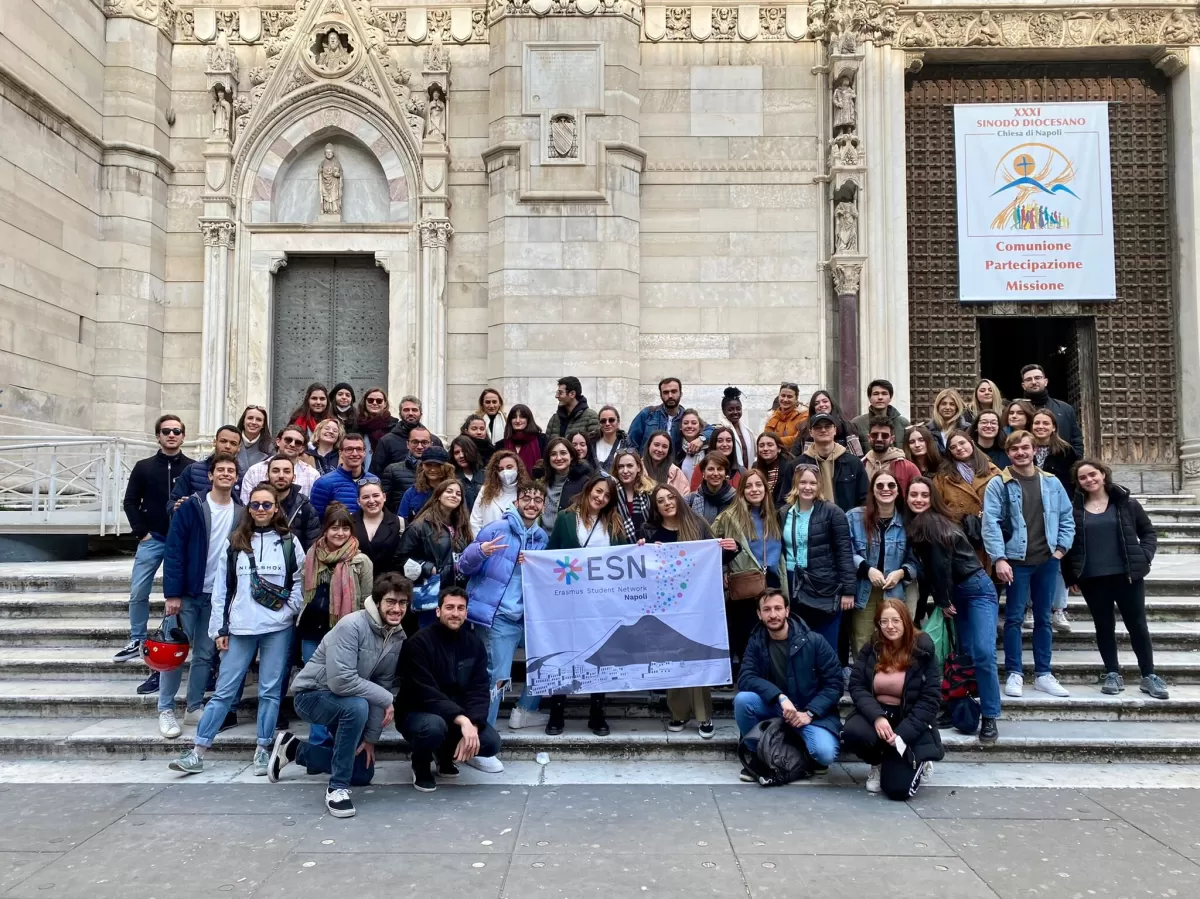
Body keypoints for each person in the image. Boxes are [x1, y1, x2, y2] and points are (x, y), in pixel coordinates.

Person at [168, 481, 304, 776]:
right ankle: (197, 751)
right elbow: (221, 590)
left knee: (270, 692)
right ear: (249, 508)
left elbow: (299, 581)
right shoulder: (236, 543)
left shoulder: (289, 541)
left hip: (277, 629)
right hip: (241, 627)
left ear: (276, 508)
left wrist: (289, 610)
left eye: (267, 504)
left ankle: (263, 748)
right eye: (255, 504)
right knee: (224, 692)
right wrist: (219, 629)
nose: (261, 510)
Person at [268, 572, 409, 818]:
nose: (397, 608)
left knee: (362, 773)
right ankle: (337, 789)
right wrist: (387, 699)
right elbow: (341, 681)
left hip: (349, 703)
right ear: (377, 602)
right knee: (357, 706)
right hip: (312, 695)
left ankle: (293, 750)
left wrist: (371, 739)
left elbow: (382, 684)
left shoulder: (396, 636)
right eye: (391, 601)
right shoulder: (352, 625)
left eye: (403, 603)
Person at [904, 478, 1000, 741]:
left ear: (932, 498)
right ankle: (962, 708)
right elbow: (928, 573)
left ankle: (990, 715)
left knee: (982, 652)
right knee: (963, 655)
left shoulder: (933, 523)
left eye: (925, 495)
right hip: (957, 591)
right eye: (914, 495)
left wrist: (943, 601)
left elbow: (940, 566)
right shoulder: (920, 524)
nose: (919, 500)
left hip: (976, 588)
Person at [982, 430, 1075, 699]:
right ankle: (1015, 672)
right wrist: (999, 558)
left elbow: (1067, 518)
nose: (1020, 453)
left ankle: (1044, 673)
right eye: (1014, 449)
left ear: (1034, 450)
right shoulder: (999, 483)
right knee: (1013, 619)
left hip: (1047, 561)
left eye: (1025, 448)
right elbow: (990, 524)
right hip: (1016, 561)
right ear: (1008, 453)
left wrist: (1060, 550)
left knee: (1044, 618)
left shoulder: (1052, 482)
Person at [1063, 460, 1167, 699]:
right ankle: (1112, 673)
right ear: (1078, 483)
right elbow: (1069, 543)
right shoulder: (1075, 510)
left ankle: (1149, 675)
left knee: (1137, 625)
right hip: (1092, 578)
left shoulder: (1126, 503)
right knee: (1104, 626)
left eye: (1093, 474)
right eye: (1083, 477)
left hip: (1127, 575)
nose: (1089, 480)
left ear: (1103, 474)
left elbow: (1148, 532)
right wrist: (1071, 575)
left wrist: (1144, 556)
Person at [157, 453, 243, 739]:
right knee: (173, 652)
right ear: (210, 475)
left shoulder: (241, 513)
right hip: (187, 594)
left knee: (205, 654)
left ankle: (193, 706)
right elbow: (174, 551)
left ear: (236, 477)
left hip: (217, 597)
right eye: (221, 469)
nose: (226, 474)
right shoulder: (192, 506)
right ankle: (166, 707)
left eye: (231, 470)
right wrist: (172, 594)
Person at [643, 484, 737, 738]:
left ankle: (704, 716)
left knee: (697, 660)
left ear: (678, 498)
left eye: (670, 497)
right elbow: (643, 568)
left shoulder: (698, 525)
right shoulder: (650, 531)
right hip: (666, 608)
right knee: (672, 660)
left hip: (697, 606)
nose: (667, 502)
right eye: (660, 500)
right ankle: (679, 713)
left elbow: (714, 558)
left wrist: (731, 548)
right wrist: (641, 548)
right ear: (656, 507)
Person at [459, 481, 550, 740]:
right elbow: (464, 567)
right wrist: (480, 551)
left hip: (527, 617)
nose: (531, 504)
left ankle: (525, 710)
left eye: (537, 500)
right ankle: (482, 735)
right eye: (526, 498)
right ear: (516, 502)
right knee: (497, 677)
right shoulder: (497, 528)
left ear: (543, 505)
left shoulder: (542, 538)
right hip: (497, 616)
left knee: (551, 656)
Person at [545, 474, 631, 736]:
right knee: (565, 652)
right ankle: (557, 711)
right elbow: (551, 554)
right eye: (599, 491)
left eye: (607, 496)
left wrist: (639, 549)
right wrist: (533, 562)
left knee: (599, 655)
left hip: (602, 603)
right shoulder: (565, 519)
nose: (601, 498)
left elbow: (625, 557)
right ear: (589, 489)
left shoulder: (614, 524)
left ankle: (597, 712)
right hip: (569, 601)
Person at [397, 586, 502, 792]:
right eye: (450, 607)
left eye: (461, 608)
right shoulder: (418, 643)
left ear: (466, 612)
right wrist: (462, 719)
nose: (455, 613)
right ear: (438, 611)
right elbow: (423, 691)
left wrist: (473, 722)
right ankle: (420, 764)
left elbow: (479, 690)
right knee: (433, 727)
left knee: (490, 742)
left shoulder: (474, 644)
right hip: (418, 712)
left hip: (456, 715)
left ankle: (445, 756)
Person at [734, 589, 843, 784]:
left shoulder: (814, 641)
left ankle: (797, 756)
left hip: (810, 713)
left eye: (777, 608)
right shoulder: (756, 641)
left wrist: (809, 713)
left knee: (825, 754)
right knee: (743, 700)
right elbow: (745, 677)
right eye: (767, 610)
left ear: (787, 610)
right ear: (759, 614)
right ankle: (759, 755)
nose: (773, 614)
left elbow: (834, 684)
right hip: (777, 708)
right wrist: (780, 697)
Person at [115, 415, 195, 680]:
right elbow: (130, 502)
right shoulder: (144, 467)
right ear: (158, 436)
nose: (171, 435)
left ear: (183, 436)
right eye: (166, 431)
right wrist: (142, 533)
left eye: (176, 431)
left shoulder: (192, 468)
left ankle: (170, 635)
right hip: (154, 539)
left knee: (175, 595)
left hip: (180, 541)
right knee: (139, 590)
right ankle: (136, 638)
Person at [287, 501, 373, 744]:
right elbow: (303, 589)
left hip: (344, 635)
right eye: (334, 528)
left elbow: (367, 600)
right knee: (314, 687)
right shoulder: (312, 555)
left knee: (340, 685)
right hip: (311, 632)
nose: (340, 533)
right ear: (325, 529)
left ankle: (341, 739)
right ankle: (318, 740)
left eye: (345, 528)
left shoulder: (360, 561)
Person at [841, 598, 944, 797]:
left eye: (895, 621)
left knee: (897, 791)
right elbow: (856, 685)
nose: (890, 626)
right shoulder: (873, 647)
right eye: (884, 621)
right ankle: (877, 763)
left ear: (905, 620)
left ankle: (918, 758)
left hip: (910, 718)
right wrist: (877, 716)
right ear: (878, 624)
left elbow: (930, 699)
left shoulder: (923, 649)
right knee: (853, 731)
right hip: (879, 713)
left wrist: (903, 734)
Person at [712, 469, 789, 667]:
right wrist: (722, 573)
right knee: (746, 635)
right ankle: (747, 676)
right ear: (741, 490)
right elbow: (711, 547)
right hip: (744, 585)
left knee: (771, 634)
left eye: (758, 485)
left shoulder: (776, 516)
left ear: (766, 488)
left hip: (771, 583)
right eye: (748, 486)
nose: (754, 490)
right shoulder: (728, 517)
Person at [779, 464, 856, 653]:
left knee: (826, 644)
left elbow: (844, 552)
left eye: (812, 483)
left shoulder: (833, 512)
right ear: (795, 484)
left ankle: (829, 681)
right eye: (803, 482)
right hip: (792, 583)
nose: (807, 487)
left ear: (819, 485)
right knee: (799, 641)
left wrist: (848, 590)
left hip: (824, 586)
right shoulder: (783, 513)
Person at [847, 470, 918, 658]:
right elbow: (846, 550)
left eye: (891, 485)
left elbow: (916, 558)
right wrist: (866, 569)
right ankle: (866, 681)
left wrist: (901, 573)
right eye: (880, 485)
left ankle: (892, 680)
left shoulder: (908, 519)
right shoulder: (854, 517)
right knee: (862, 638)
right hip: (865, 589)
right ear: (872, 490)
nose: (885, 489)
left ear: (897, 491)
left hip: (896, 589)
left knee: (895, 638)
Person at [399, 479, 473, 628]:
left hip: (458, 594)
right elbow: (401, 558)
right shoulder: (419, 526)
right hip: (431, 596)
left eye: (458, 494)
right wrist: (427, 568)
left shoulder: (463, 526)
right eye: (449, 491)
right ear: (438, 495)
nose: (454, 496)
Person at [934, 431, 1001, 559]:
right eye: (953, 447)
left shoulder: (993, 471)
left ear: (971, 443)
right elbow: (937, 508)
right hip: (959, 538)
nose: (958, 448)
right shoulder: (943, 477)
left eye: (962, 443)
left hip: (990, 536)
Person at [801, 413, 868, 512]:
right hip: (809, 523)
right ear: (810, 432)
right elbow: (788, 499)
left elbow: (865, 498)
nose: (823, 430)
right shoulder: (798, 465)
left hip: (847, 522)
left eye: (827, 426)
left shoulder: (854, 463)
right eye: (818, 427)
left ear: (835, 430)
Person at [169, 425, 243, 508]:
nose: (227, 446)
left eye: (233, 443)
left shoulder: (242, 476)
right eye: (223, 441)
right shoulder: (192, 470)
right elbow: (173, 502)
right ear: (215, 442)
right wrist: (176, 507)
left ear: (239, 447)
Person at [370, 396, 444, 477]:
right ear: (400, 414)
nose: (410, 413)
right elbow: (375, 473)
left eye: (414, 410)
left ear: (421, 414)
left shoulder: (435, 441)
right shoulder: (387, 441)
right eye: (406, 410)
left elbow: (444, 470)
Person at [241, 425, 320, 501]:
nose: (292, 444)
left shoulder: (312, 475)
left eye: (298, 442)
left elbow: (312, 510)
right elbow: (246, 505)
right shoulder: (254, 471)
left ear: (302, 449)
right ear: (278, 442)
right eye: (288, 440)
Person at [1021, 363, 1084, 456]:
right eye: (1028, 379)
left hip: (1061, 464)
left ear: (1045, 381)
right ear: (1023, 385)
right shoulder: (1016, 411)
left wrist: (1075, 464)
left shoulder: (1065, 409)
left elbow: (1076, 440)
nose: (1034, 382)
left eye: (1037, 378)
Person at [629, 376, 699, 455]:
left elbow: (710, 430)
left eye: (674, 391)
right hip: (648, 466)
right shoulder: (647, 414)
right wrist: (638, 463)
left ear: (681, 393)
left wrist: (701, 439)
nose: (670, 396)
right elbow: (630, 444)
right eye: (666, 392)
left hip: (676, 466)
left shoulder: (687, 417)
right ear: (661, 395)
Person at [267, 455, 321, 551]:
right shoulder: (256, 504)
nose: (281, 475)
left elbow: (312, 548)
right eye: (275, 471)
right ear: (267, 475)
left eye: (287, 471)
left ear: (294, 477)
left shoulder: (305, 508)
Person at [310, 433, 369, 518]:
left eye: (359, 449)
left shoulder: (373, 480)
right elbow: (315, 520)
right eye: (349, 449)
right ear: (341, 453)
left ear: (364, 452)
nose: (355, 453)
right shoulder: (324, 483)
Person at [351, 478, 403, 576]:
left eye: (376, 496)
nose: (371, 501)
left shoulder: (400, 523)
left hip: (388, 585)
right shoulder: (348, 523)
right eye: (366, 497)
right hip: (355, 584)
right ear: (358, 501)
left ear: (384, 497)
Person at [538, 437, 591, 531]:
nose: (558, 458)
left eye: (563, 453)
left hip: (569, 540)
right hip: (542, 539)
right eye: (553, 454)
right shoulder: (541, 483)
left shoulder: (584, 483)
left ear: (571, 456)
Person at [380, 425, 435, 513]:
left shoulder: (438, 471)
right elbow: (383, 503)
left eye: (424, 442)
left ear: (431, 444)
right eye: (415, 442)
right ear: (407, 444)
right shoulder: (392, 470)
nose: (420, 446)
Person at [863, 417, 921, 497]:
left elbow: (918, 495)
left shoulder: (909, 468)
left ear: (892, 439)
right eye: (874, 435)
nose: (879, 439)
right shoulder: (860, 465)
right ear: (869, 438)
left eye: (885, 435)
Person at [470, 450, 526, 531]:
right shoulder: (485, 490)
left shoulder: (526, 492)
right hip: (488, 541)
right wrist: (480, 543)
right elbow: (475, 521)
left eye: (509, 467)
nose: (505, 472)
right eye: (500, 469)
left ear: (518, 468)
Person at [397, 447, 456, 522]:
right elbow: (402, 520)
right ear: (422, 466)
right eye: (428, 465)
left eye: (437, 465)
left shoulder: (455, 492)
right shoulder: (412, 492)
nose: (433, 469)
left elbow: (462, 518)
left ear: (446, 467)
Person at [851, 378, 910, 449]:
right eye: (876, 394)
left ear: (890, 398)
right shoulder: (857, 423)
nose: (880, 397)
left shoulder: (903, 423)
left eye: (884, 393)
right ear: (870, 398)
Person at [800, 390, 863, 455]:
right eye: (816, 403)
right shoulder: (805, 431)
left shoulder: (848, 427)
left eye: (825, 401)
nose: (821, 405)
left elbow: (859, 457)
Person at [611, 448, 655, 541]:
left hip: (647, 546)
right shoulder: (610, 493)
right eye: (620, 466)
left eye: (630, 466)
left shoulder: (651, 492)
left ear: (638, 467)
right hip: (619, 548)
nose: (625, 471)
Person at [1032, 409, 1079, 494]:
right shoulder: (1025, 448)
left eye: (1046, 423)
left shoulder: (1065, 450)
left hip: (1059, 496)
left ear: (1053, 427)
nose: (1041, 426)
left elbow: (1074, 479)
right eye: (1037, 423)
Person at [544, 375, 601, 440]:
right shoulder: (554, 419)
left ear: (572, 394)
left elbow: (593, 446)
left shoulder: (591, 417)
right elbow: (547, 446)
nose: (556, 396)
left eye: (560, 393)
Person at [688, 427, 743, 492]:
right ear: (714, 443)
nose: (725, 444)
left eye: (728, 440)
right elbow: (694, 494)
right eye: (720, 441)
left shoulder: (742, 471)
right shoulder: (701, 467)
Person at [499, 403, 548, 475]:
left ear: (528, 419)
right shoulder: (500, 445)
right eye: (514, 417)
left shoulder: (542, 440)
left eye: (522, 417)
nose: (518, 420)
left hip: (537, 485)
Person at [688, 452, 737, 523]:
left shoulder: (736, 500)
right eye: (711, 469)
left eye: (720, 469)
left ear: (725, 473)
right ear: (703, 473)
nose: (716, 473)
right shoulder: (691, 500)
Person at [751, 432, 795, 509]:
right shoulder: (755, 466)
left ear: (779, 448)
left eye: (770, 445)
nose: (765, 449)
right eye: (761, 446)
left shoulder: (789, 466)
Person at [763, 381, 807, 452]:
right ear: (779, 396)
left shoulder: (804, 415)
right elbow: (765, 439)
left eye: (789, 397)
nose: (785, 399)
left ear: (796, 398)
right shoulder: (772, 417)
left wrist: (773, 442)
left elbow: (798, 439)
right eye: (783, 395)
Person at [643, 430, 691, 496]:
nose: (660, 450)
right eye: (656, 445)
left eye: (664, 447)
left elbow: (685, 499)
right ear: (649, 445)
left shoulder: (675, 472)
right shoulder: (638, 469)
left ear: (669, 450)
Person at [720, 386, 757, 470]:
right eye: (731, 409)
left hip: (747, 474)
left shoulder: (748, 432)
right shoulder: (720, 430)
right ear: (723, 411)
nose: (735, 412)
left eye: (738, 409)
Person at [926, 388, 971, 452]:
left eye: (952, 404)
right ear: (938, 406)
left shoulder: (967, 428)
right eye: (944, 404)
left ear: (957, 407)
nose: (947, 407)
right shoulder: (928, 430)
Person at [355, 387, 398, 454]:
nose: (374, 403)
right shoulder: (356, 425)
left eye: (379, 401)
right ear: (365, 402)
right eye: (370, 400)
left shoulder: (394, 426)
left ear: (385, 404)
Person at [593, 404, 633, 473]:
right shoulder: (591, 444)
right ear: (599, 423)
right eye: (603, 421)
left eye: (611, 420)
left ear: (618, 422)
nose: (607, 423)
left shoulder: (626, 445)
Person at [448, 435, 486, 508]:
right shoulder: (450, 477)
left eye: (465, 451)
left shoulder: (486, 476)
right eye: (457, 452)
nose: (461, 455)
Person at [236, 405, 273, 471]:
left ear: (263, 425)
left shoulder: (270, 447)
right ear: (243, 422)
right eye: (250, 418)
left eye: (258, 420)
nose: (253, 422)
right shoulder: (230, 441)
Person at [677, 409, 708, 483]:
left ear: (700, 426)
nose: (689, 426)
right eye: (685, 423)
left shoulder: (709, 449)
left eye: (694, 423)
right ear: (681, 427)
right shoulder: (678, 451)